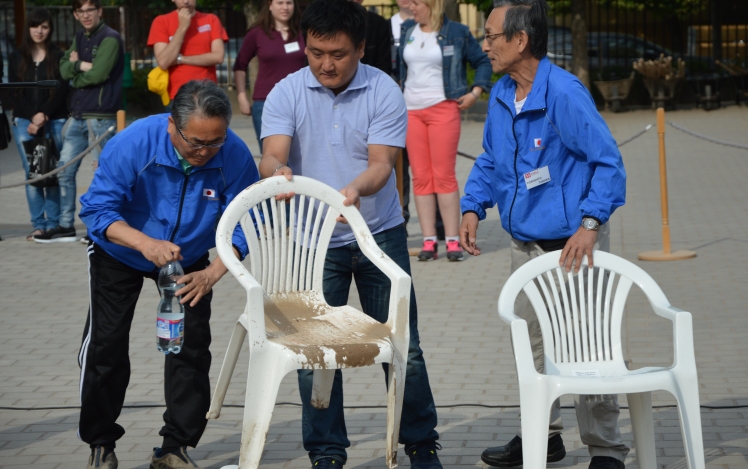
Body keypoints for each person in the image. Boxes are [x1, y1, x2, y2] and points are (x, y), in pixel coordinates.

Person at [259, 1, 442, 468]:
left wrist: (357, 188)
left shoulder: (383, 90)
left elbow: (382, 164)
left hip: (378, 235)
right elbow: (271, 154)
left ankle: (420, 442)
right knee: (314, 349)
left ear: (360, 48)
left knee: (405, 347)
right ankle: (326, 452)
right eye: (316, 52)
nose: (326, 64)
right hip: (310, 244)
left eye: (338, 53)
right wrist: (277, 172)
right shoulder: (285, 91)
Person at [458, 1, 628, 469]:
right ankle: (543, 435)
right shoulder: (501, 91)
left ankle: (606, 450)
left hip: (575, 244)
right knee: (533, 347)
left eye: (491, 36)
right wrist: (473, 206)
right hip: (524, 245)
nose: (484, 45)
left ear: (520, 41)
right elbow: (492, 157)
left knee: (588, 348)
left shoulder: (564, 94)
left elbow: (608, 163)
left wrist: (590, 224)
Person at [77, 80, 259, 469]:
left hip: (190, 257)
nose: (204, 153)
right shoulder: (134, 143)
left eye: (215, 142)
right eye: (195, 142)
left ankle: (175, 446)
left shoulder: (235, 155)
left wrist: (213, 272)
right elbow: (96, 211)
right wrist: (144, 243)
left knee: (188, 347)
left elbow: (247, 219)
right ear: (171, 127)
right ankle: (100, 443)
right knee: (106, 344)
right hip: (121, 251)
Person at [397, 0, 491, 262]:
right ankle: (429, 242)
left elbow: (483, 61)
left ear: (431, 3)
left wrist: (475, 92)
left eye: (416, 3)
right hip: (411, 112)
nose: (410, 7)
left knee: (444, 176)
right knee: (421, 177)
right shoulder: (407, 29)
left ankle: (452, 241)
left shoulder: (457, 31)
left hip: (444, 109)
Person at [33, 0, 123, 243]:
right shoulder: (79, 36)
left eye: (90, 10)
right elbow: (63, 70)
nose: (85, 15)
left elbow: (99, 74)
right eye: (80, 11)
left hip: (102, 118)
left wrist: (76, 76)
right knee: (64, 170)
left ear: (99, 11)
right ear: (75, 14)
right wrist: (79, 65)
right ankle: (65, 225)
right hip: (78, 115)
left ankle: (102, 229)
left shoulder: (110, 38)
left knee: (103, 175)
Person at [8, 8, 70, 242]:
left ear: (50, 29)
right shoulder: (17, 57)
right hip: (24, 122)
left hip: (54, 120)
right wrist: (33, 116)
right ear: (29, 29)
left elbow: (62, 89)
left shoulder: (58, 55)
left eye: (44, 26)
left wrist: (43, 114)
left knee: (51, 171)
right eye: (35, 26)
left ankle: (53, 224)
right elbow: (15, 93)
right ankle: (38, 225)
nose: (39, 31)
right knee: (34, 174)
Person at [233, 0, 305, 150]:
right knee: (272, 155)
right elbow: (240, 65)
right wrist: (241, 97)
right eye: (280, 3)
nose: (285, 7)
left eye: (289, 3)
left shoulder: (303, 32)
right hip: (266, 102)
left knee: (300, 154)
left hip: (300, 101)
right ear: (270, 6)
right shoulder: (257, 33)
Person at [148, 0, 228, 106]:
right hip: (178, 95)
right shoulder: (161, 21)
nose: (186, 1)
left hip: (208, 92)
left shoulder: (211, 19)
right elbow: (163, 62)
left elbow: (218, 56)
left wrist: (180, 59)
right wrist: (182, 28)